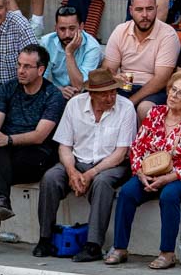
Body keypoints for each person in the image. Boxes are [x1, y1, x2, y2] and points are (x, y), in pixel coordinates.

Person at [106, 71, 181, 269]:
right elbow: (138, 147)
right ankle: (120, 247)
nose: (173, 95)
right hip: (150, 172)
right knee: (128, 192)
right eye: (173, 89)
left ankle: (167, 253)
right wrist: (140, 172)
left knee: (169, 195)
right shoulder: (155, 113)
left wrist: (167, 178)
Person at [0, 45, 63, 256]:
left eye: (27, 66)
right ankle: (1, 202)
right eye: (19, 65)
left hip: (38, 156)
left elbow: (40, 135)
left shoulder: (53, 95)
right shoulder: (8, 88)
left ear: (41, 70)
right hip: (7, 155)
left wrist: (6, 139)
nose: (21, 70)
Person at [35, 68, 136, 262]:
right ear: (92, 94)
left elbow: (120, 153)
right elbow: (64, 146)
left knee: (102, 183)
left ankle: (93, 245)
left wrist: (90, 174)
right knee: (50, 178)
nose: (110, 98)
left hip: (110, 165)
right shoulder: (74, 105)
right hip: (77, 160)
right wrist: (72, 171)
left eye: (113, 92)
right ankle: (45, 238)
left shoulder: (126, 108)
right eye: (104, 94)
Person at [104, 0, 180, 109]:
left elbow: (161, 79)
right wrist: (114, 78)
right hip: (124, 86)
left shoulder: (168, 35)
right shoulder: (120, 30)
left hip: (154, 90)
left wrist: (131, 102)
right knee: (92, 98)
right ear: (131, 10)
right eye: (139, 10)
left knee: (144, 108)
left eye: (149, 9)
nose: (145, 15)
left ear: (156, 8)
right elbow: (108, 69)